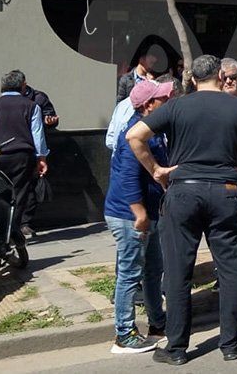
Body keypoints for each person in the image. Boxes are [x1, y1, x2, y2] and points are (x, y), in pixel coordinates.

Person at [126, 54, 237, 366]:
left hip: (183, 192)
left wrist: (157, 170)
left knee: (177, 271)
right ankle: (230, 343)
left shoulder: (176, 105)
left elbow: (135, 136)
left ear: (193, 78)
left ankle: (176, 348)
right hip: (226, 191)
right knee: (231, 269)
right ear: (220, 76)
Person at [104, 79, 172, 354]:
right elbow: (127, 179)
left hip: (146, 213)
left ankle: (158, 324)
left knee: (153, 271)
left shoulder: (151, 131)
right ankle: (124, 334)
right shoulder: (135, 134)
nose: (167, 102)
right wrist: (140, 214)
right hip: (129, 215)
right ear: (148, 105)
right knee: (130, 275)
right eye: (162, 99)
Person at [0, 70, 48, 244]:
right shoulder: (31, 106)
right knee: (20, 194)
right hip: (21, 156)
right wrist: (42, 157)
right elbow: (37, 134)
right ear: (23, 85)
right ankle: (12, 232)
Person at [19, 79, 59, 238]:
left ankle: (24, 223)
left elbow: (51, 118)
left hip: (33, 148)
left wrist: (49, 121)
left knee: (31, 187)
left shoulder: (39, 98)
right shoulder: (8, 99)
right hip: (15, 148)